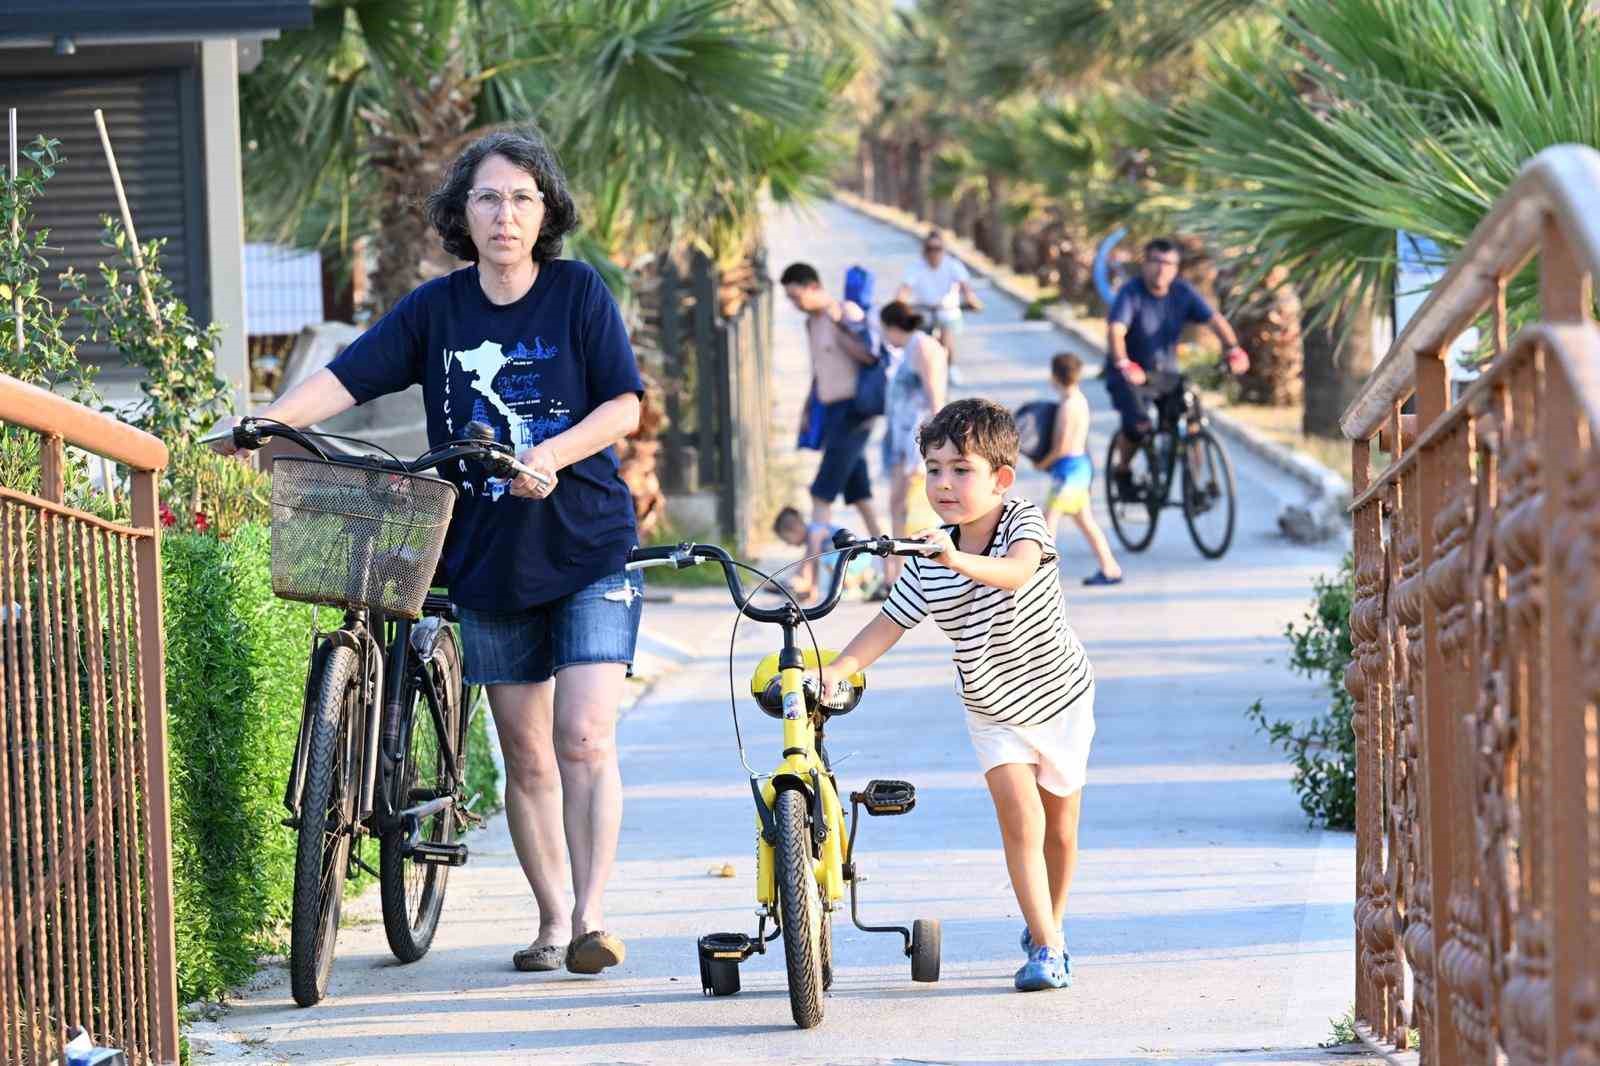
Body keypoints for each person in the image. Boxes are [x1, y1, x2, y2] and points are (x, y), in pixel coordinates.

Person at [214, 129, 643, 977]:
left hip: (588, 542)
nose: (505, 214)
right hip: (487, 558)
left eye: (523, 198)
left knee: (584, 735)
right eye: (488, 197)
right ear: (463, 213)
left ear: (546, 211)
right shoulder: (438, 310)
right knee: (523, 751)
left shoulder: (577, 293)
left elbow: (623, 405)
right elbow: (348, 377)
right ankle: (553, 921)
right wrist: (269, 421)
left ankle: (594, 918)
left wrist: (551, 456)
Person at [820, 399, 1095, 993]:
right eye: (934, 468)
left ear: (1001, 479)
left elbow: (1017, 572)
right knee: (1022, 821)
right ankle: (1047, 947)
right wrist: (840, 666)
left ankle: (1052, 920)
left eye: (961, 469)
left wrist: (957, 557)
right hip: (992, 711)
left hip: (1061, 698)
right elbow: (889, 624)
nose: (944, 483)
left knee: (1061, 829)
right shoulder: (927, 559)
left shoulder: (1024, 522)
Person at [1104, 238, 1249, 488]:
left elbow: (1214, 320)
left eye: (1169, 264)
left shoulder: (1182, 292)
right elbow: (1116, 331)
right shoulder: (1131, 293)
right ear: (1145, 264)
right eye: (1156, 262)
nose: (1162, 269)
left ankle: (1194, 484)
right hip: (1130, 375)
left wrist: (1233, 349)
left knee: (1190, 417)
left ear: (1176, 268)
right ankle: (1123, 469)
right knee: (1138, 427)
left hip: (1166, 374)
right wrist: (1124, 363)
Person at [780, 261, 884, 603]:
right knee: (861, 496)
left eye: (797, 297)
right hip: (832, 410)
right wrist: (810, 408)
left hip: (856, 411)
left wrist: (841, 326)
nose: (795, 305)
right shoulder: (811, 323)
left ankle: (806, 575)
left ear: (813, 287)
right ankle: (896, 568)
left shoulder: (845, 312)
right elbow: (819, 369)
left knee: (821, 494)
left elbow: (869, 355)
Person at [1036, 353, 1122, 587]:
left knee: (1047, 525)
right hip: (1080, 467)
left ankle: (1041, 577)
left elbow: (1063, 445)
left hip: (1068, 470)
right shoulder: (1079, 400)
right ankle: (1110, 568)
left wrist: (1042, 463)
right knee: (1086, 522)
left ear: (1055, 376)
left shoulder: (1067, 405)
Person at [877, 300, 947, 588]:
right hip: (900, 435)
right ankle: (895, 575)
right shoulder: (909, 349)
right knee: (897, 504)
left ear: (893, 326)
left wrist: (932, 446)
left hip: (915, 439)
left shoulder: (922, 346)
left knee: (911, 506)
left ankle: (911, 576)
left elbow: (935, 399)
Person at [896, 230, 982, 387]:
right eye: (930, 249)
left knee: (946, 333)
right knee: (920, 340)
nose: (934, 253)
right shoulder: (916, 267)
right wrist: (899, 304)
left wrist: (971, 300)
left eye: (938, 249)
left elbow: (966, 288)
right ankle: (919, 369)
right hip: (923, 310)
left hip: (947, 310)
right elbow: (904, 290)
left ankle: (950, 366)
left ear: (944, 250)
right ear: (924, 250)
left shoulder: (953, 265)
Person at [772, 506, 881, 603]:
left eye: (787, 539)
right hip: (853, 556)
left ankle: (862, 580)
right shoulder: (811, 535)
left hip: (860, 554)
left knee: (828, 562)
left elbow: (812, 562)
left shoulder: (814, 533)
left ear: (795, 529)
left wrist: (812, 590)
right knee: (829, 561)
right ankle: (863, 579)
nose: (789, 544)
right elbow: (806, 563)